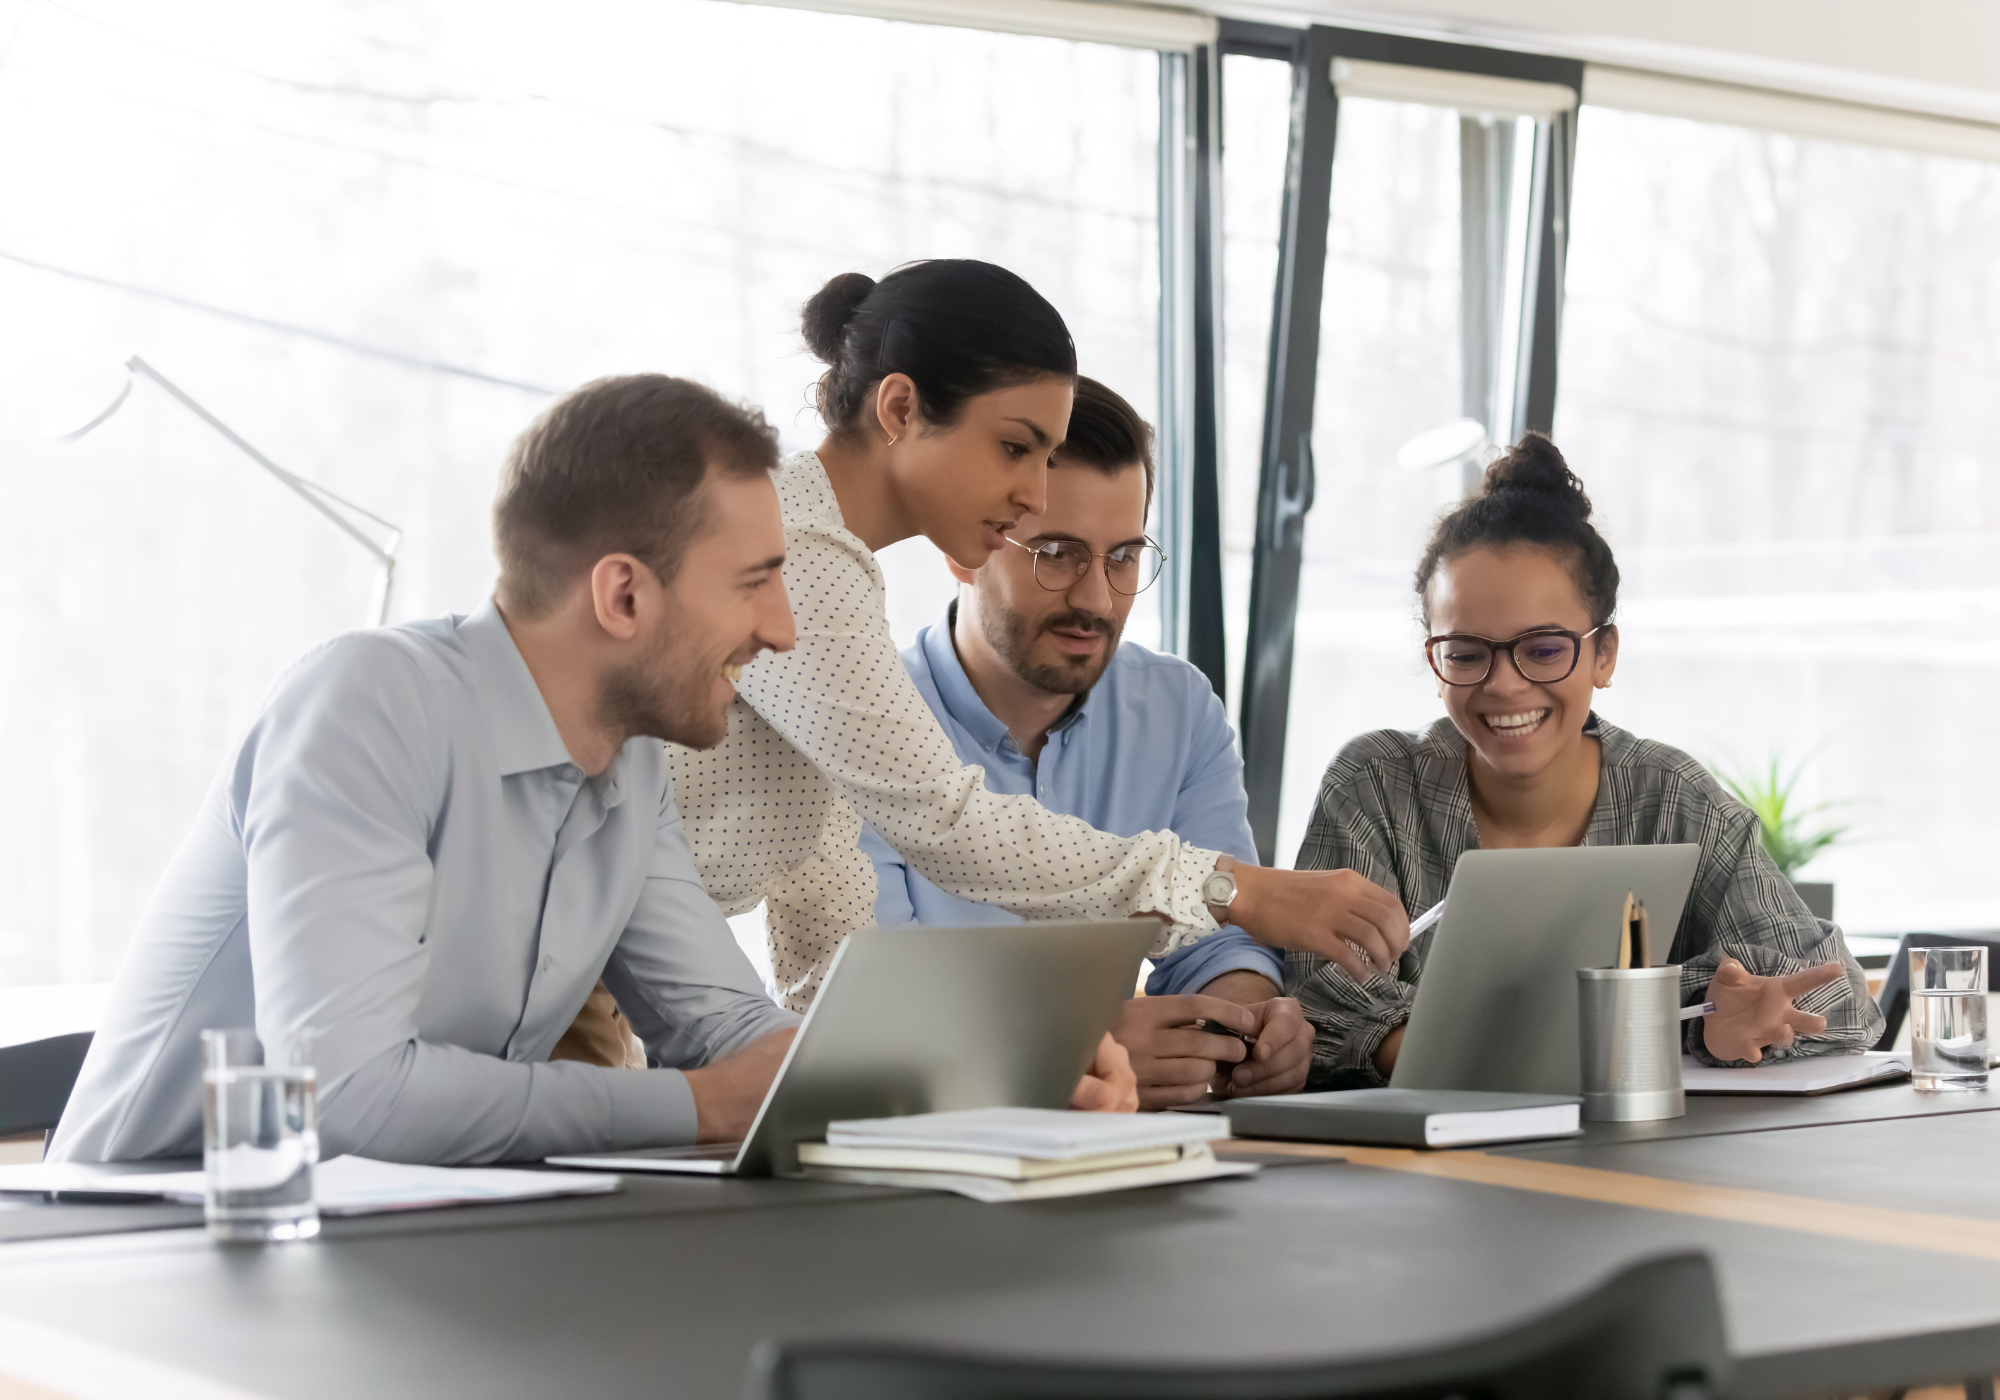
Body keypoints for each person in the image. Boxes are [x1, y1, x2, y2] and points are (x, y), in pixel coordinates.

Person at [53, 375, 1133, 1166]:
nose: (784, 628)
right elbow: (345, 1094)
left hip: (389, 1247)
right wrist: (698, 1108)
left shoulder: (626, 767)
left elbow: (726, 1030)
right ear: (622, 596)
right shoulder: (367, 705)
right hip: (156, 1248)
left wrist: (986, 1084)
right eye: (756, 581)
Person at [661, 260, 1410, 1019]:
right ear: (899, 408)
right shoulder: (797, 556)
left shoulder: (835, 572)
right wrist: (1234, 888)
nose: (1034, 495)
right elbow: (946, 824)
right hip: (567, 977)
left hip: (622, 984)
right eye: (1016, 448)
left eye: (1046, 458)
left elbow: (825, 907)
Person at [1213, 433, 1882, 1088]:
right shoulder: (1375, 786)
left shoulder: (1671, 795)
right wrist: (1627, 1026)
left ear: (1604, 653)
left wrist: (1717, 1014)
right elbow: (1318, 1001)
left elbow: (1840, 993)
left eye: (1542, 649)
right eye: (1467, 652)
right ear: (1434, 664)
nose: (1504, 684)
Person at [856, 378, 1313, 1108]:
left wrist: (1241, 1026)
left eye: (1124, 557)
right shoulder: (866, 722)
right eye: (1058, 553)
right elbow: (871, 1006)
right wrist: (1076, 1048)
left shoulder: (1179, 709)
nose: (1096, 599)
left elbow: (1216, 939)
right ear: (965, 548)